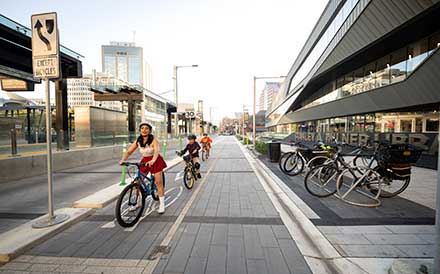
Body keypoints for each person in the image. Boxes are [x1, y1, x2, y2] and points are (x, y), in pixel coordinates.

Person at [119, 122, 167, 214]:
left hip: (155, 160)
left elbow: (156, 151)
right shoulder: (138, 140)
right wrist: (123, 160)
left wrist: (153, 160)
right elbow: (129, 151)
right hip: (145, 161)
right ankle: (138, 202)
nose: (144, 130)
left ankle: (162, 204)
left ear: (150, 130)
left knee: (158, 182)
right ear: (140, 130)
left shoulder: (153, 140)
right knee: (137, 182)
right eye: (142, 128)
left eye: (146, 128)